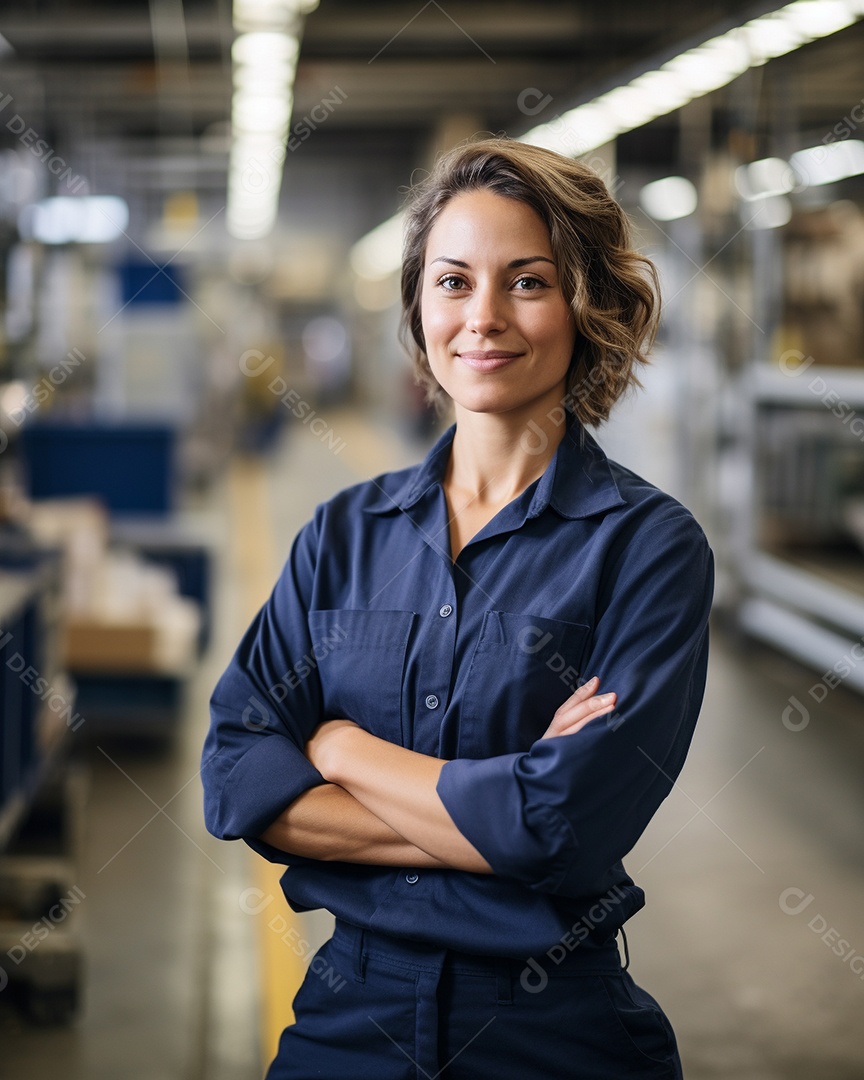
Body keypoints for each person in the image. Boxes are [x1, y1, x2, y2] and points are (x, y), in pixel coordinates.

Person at [202, 136, 714, 1079]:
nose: (483, 317)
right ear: (419, 306)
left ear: (586, 305)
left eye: (527, 282)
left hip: (551, 1027)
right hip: (349, 1016)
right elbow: (236, 778)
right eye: (452, 282)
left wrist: (339, 751)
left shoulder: (648, 546)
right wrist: (505, 807)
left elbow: (571, 829)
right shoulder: (344, 534)